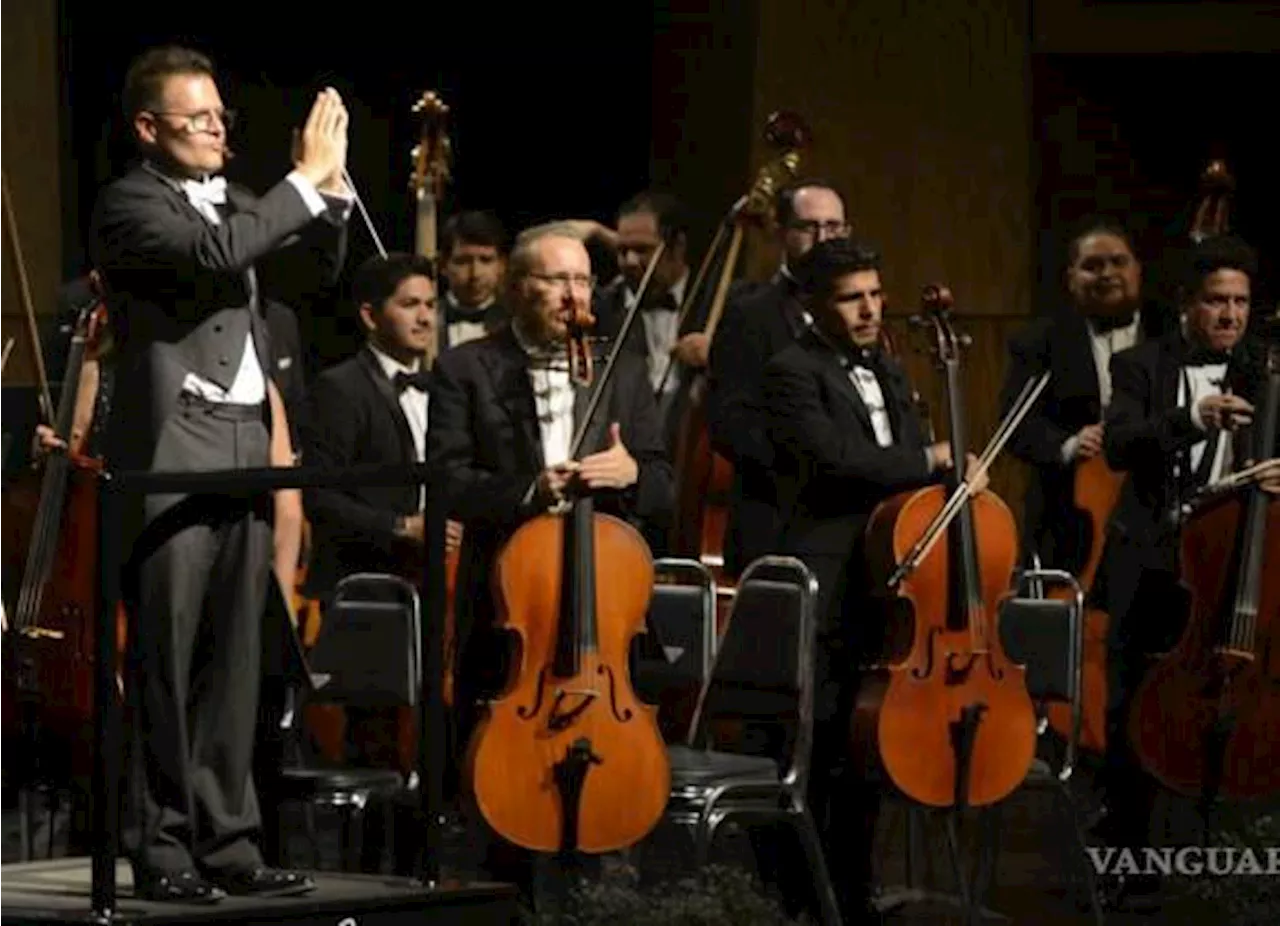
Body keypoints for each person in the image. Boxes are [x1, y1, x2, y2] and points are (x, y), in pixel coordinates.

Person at [90, 45, 351, 903]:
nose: (214, 131)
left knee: (238, 655)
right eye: (197, 118)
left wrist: (332, 196)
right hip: (174, 445)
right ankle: (162, 852)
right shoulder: (129, 204)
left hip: (244, 441)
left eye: (219, 117)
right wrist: (299, 185)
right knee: (168, 654)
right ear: (147, 127)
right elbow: (213, 257)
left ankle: (231, 847)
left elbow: (306, 273)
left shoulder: (238, 201)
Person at [426, 221, 673, 910]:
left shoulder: (620, 369)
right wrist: (532, 491)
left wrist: (629, 472)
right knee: (504, 821)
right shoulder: (465, 369)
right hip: (512, 618)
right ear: (515, 289)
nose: (572, 295)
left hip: (605, 612)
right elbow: (446, 483)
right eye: (555, 279)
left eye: (582, 280)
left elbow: (663, 486)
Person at [762, 238, 979, 923]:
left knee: (866, 747)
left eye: (875, 295)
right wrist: (931, 459)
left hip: (890, 574)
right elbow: (835, 460)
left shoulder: (886, 366)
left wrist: (952, 470)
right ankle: (802, 897)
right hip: (831, 576)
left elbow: (907, 449)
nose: (868, 309)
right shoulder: (790, 371)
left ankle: (855, 892)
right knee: (822, 742)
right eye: (851, 297)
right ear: (815, 307)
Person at [1097, 233, 1280, 907]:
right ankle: (1130, 868)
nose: (1230, 316)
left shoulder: (1267, 371)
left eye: (1240, 303)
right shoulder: (1141, 366)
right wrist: (1190, 417)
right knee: (1130, 716)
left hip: (1231, 570)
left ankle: (1236, 856)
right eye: (1216, 302)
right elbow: (1118, 444)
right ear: (1185, 305)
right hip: (1150, 563)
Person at [999, 218, 1171, 573]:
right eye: (1092, 266)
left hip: (1156, 514)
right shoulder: (1038, 341)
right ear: (1071, 278)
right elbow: (1015, 426)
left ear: (1138, 270)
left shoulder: (1169, 335)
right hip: (1065, 522)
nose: (1106, 274)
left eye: (1117, 262)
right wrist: (1069, 444)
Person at [707, 179, 851, 578]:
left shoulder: (862, 315)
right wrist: (808, 465)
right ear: (783, 233)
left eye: (834, 227)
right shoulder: (749, 314)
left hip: (845, 528)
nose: (823, 239)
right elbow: (727, 420)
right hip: (774, 524)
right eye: (808, 227)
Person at [439, 210, 509, 350]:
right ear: (443, 265)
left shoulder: (515, 321)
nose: (475, 274)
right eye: (463, 261)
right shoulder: (426, 320)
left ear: (502, 265)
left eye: (486, 260)